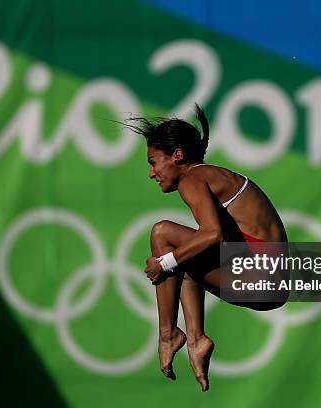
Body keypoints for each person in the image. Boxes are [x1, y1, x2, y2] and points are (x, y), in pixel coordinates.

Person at [124, 104, 288, 392]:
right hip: (270, 280)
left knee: (162, 234)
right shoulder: (214, 175)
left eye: (153, 162)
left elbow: (214, 235)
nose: (152, 173)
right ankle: (196, 340)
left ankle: (167, 334)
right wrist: (174, 261)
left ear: (177, 156)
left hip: (260, 279)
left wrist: (162, 263)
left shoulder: (193, 179)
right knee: (185, 257)